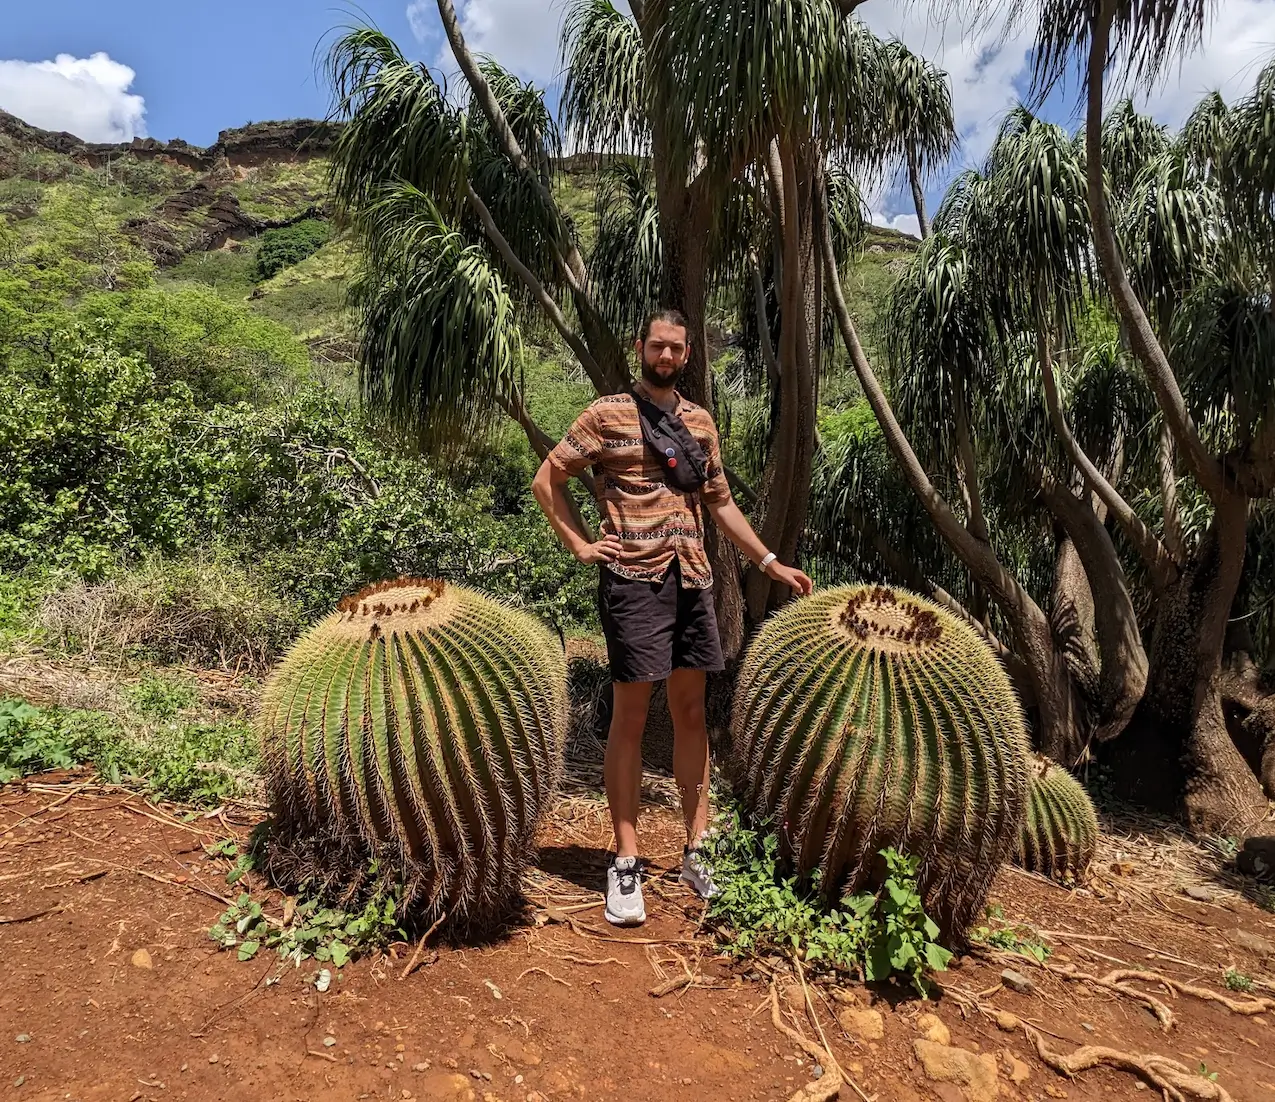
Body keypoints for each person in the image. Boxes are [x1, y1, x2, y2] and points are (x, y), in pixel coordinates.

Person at [532, 309, 813, 926]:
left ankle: (696, 847)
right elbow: (547, 478)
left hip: (693, 581)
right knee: (631, 717)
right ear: (640, 347)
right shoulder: (605, 415)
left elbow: (721, 504)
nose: (666, 356)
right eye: (657, 346)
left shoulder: (699, 424)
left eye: (677, 349)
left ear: (687, 354)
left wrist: (767, 561)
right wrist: (580, 544)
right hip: (633, 582)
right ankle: (626, 861)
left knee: (691, 713)